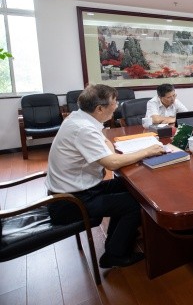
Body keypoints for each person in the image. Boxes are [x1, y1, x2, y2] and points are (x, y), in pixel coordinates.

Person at [46, 84, 165, 268]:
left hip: (77, 189)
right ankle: (114, 255)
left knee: (131, 186)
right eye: (114, 102)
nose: (117, 106)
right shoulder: (83, 129)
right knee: (137, 203)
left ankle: (118, 238)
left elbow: (106, 144)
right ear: (99, 108)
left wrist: (115, 156)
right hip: (71, 202)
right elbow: (112, 163)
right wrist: (148, 151)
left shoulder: (79, 117)